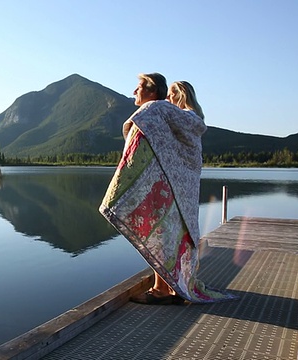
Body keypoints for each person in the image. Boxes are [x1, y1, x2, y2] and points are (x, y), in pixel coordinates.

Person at [99, 73, 236, 305]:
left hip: (168, 189)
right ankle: (166, 287)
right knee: (166, 235)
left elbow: (143, 143)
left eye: (139, 87)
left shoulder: (155, 109)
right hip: (178, 190)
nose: (134, 92)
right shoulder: (178, 120)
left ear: (153, 92)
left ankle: (161, 290)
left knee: (162, 234)